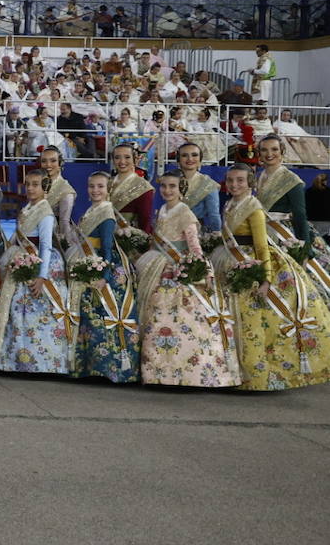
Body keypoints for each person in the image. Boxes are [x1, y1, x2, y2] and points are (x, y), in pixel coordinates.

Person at [213, 164, 330, 390]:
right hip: (228, 260)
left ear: (250, 183)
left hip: (250, 265)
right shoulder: (229, 203)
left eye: (240, 180)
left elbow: (261, 246)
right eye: (230, 180)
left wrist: (266, 280)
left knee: (251, 321)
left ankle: (253, 375)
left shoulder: (254, 207)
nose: (234, 185)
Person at [136, 172, 240, 388]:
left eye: (172, 186)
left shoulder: (185, 213)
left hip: (178, 272)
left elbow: (195, 248)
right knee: (155, 320)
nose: (167, 190)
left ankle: (189, 371)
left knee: (183, 321)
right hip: (158, 269)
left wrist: (203, 273)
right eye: (163, 186)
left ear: (181, 189)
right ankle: (159, 372)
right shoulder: (162, 210)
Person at [0, 170, 70, 375]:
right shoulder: (27, 208)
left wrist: (42, 276)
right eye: (28, 184)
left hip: (40, 264)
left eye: (36, 184)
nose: (31, 188)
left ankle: (42, 362)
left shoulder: (46, 213)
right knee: (16, 313)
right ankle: (15, 359)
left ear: (45, 187)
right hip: (21, 260)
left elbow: (45, 246)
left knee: (35, 313)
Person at [66, 172, 139, 383]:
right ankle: (89, 367)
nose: (95, 190)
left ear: (108, 190)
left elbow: (107, 248)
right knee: (89, 320)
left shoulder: (106, 212)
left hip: (100, 268)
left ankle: (107, 369)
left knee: (100, 319)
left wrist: (104, 277)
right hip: (88, 264)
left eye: (100, 187)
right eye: (91, 186)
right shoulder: (91, 209)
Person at [175, 142, 221, 233]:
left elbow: (214, 215)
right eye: (184, 155)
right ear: (178, 160)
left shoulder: (207, 184)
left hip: (196, 232)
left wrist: (216, 238)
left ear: (200, 159)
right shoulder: (170, 180)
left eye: (194, 155)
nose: (190, 159)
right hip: (171, 231)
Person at [109, 144, 154, 233]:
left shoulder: (143, 186)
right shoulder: (107, 183)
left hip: (130, 239)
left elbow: (145, 220)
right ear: (113, 160)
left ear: (135, 159)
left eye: (127, 157)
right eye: (117, 157)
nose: (122, 161)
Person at [39, 147, 76, 248]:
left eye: (53, 161)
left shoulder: (65, 190)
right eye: (44, 161)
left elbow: (64, 222)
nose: (48, 165)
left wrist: (66, 247)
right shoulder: (38, 184)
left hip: (54, 239)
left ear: (60, 163)